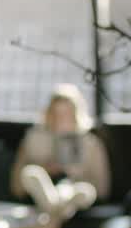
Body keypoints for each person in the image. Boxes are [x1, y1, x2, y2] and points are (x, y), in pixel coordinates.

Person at [10, 84, 110, 220]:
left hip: (74, 191)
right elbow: (17, 185)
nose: (59, 120)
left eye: (65, 114)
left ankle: (53, 208)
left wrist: (71, 173)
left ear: (76, 115)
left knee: (83, 191)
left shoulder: (92, 144)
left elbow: (102, 188)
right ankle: (56, 209)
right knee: (31, 173)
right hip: (39, 192)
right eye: (54, 114)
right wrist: (45, 169)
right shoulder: (32, 139)